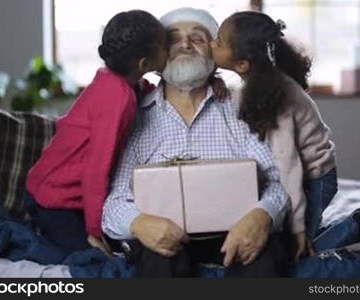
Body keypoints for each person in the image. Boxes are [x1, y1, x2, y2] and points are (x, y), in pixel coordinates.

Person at [102, 7, 289, 277]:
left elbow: (277, 182)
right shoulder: (133, 116)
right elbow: (114, 203)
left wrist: (264, 215)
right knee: (158, 260)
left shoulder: (242, 109)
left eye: (198, 38)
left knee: (264, 254)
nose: (185, 44)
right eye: (174, 39)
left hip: (236, 231)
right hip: (164, 237)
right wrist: (139, 223)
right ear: (158, 54)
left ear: (215, 54)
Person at [25, 10, 168, 253]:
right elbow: (95, 170)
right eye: (166, 46)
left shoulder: (118, 81)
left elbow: (140, 88)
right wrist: (94, 231)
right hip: (53, 199)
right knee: (93, 259)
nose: (170, 49)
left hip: (68, 196)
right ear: (144, 64)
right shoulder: (115, 98)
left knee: (124, 250)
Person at [211, 11, 338, 260]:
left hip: (315, 178)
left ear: (242, 64)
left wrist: (299, 228)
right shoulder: (259, 81)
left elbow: (289, 167)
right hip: (297, 172)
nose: (211, 44)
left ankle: (354, 226)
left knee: (295, 248)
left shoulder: (276, 98)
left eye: (219, 41)